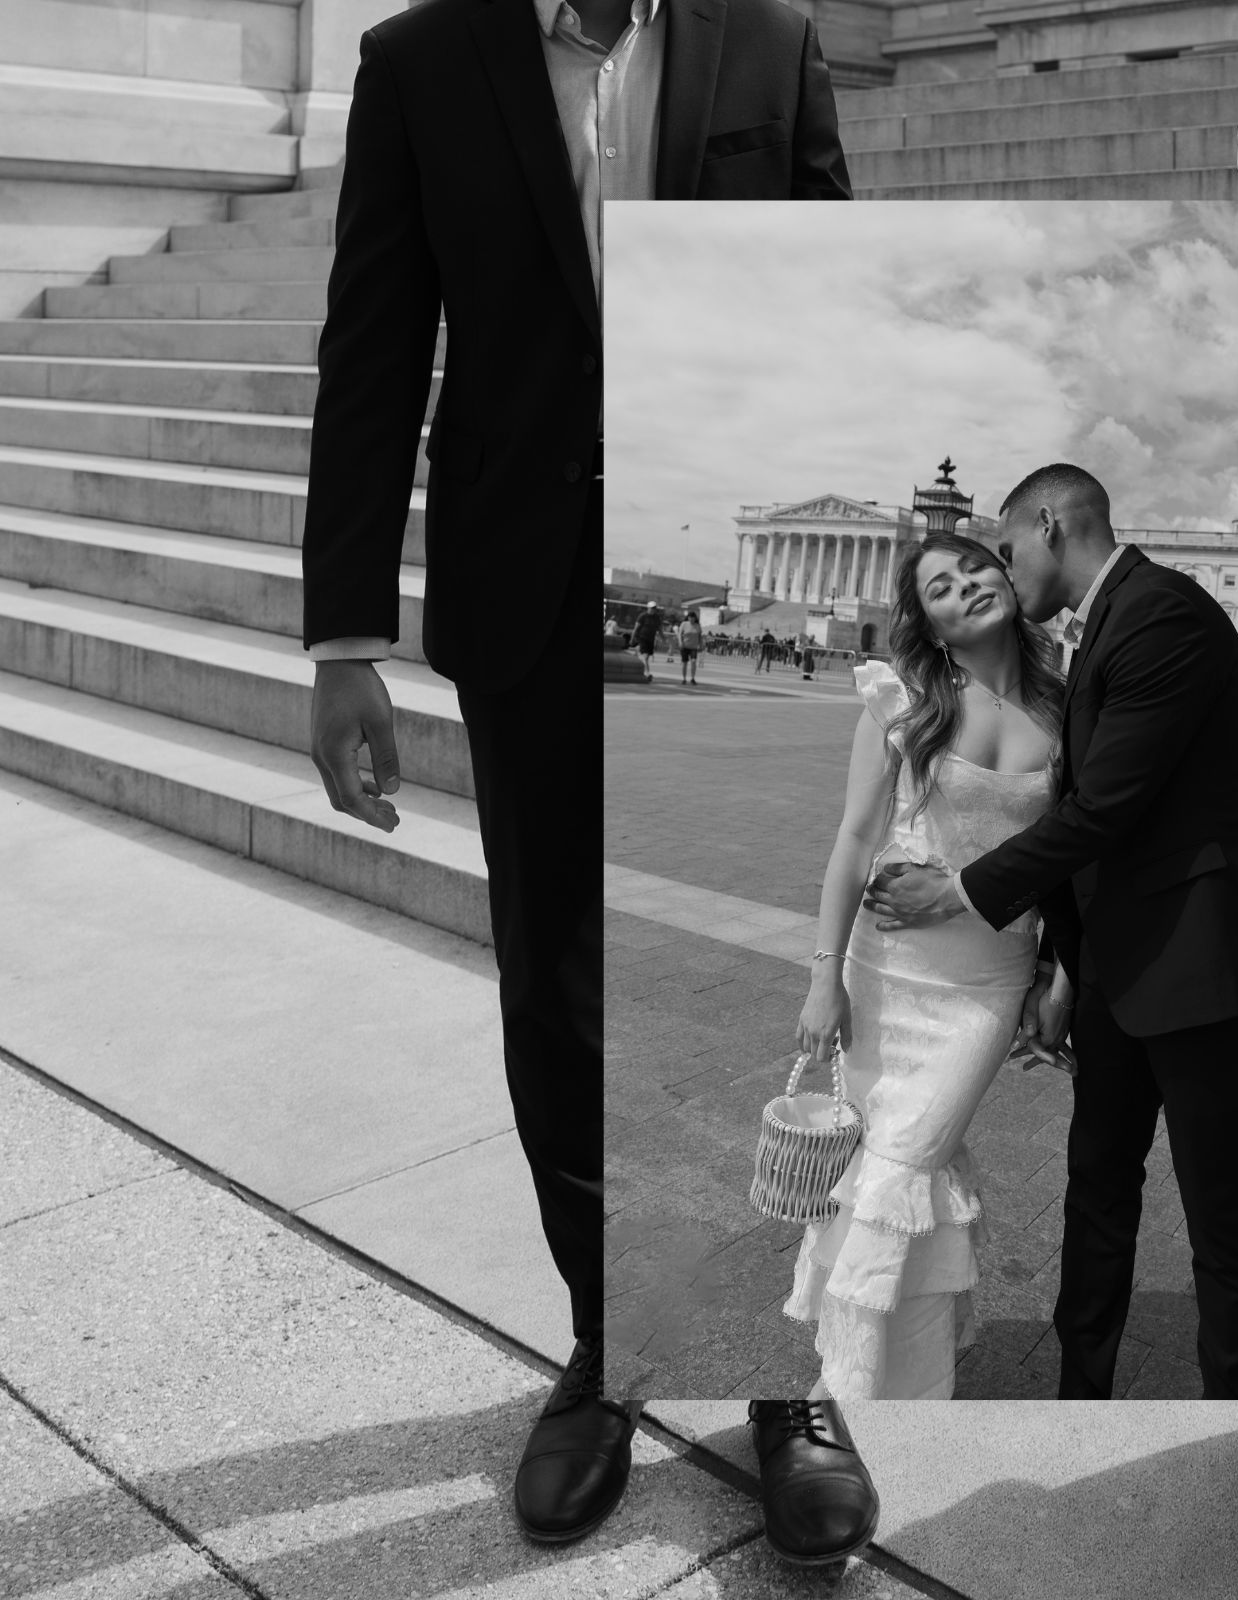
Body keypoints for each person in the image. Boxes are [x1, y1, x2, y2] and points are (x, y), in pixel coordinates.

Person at [300, 0, 875, 1558]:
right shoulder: (421, 61)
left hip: (688, 576)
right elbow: (375, 336)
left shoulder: (770, 45)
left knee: (748, 991)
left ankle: (776, 1370)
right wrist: (343, 631)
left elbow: (822, 304)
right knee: (557, 992)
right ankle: (610, 1341)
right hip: (525, 592)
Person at [864, 464, 1238, 1401]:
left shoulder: (1164, 617)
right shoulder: (1100, 630)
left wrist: (960, 892)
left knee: (1219, 1216)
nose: (1003, 568)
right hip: (1116, 972)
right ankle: (1081, 1389)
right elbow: (1085, 823)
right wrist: (1065, 965)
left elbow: (1101, 811)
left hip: (1206, 973)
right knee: (1097, 1197)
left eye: (1009, 547)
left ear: (1052, 523)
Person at [785, 531, 1066, 1400]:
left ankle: (865, 1384)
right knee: (890, 1172)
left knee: (908, 1159)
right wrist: (821, 975)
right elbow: (856, 839)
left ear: (1006, 575)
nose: (966, 587)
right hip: (888, 970)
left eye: (976, 566)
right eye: (940, 587)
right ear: (929, 623)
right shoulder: (903, 696)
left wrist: (1062, 975)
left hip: (987, 984)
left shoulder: (1067, 705)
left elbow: (1075, 855)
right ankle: (879, 1385)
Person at [633, 602, 663, 670]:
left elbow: (659, 629)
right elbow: (636, 628)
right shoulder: (642, 616)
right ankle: (647, 673)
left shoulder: (657, 617)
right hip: (642, 637)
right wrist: (632, 638)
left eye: (654, 608)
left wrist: (663, 638)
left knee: (647, 656)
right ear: (648, 608)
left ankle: (637, 649)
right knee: (645, 656)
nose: (653, 609)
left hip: (651, 639)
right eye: (652, 608)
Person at [676, 611, 703, 686]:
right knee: (685, 663)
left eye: (693, 618)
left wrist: (701, 645)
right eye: (690, 617)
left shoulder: (697, 626)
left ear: (695, 618)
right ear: (688, 618)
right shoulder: (684, 624)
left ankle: (692, 678)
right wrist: (680, 642)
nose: (691, 619)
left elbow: (700, 637)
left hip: (693, 647)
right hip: (685, 646)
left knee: (693, 661)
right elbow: (679, 634)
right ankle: (684, 678)